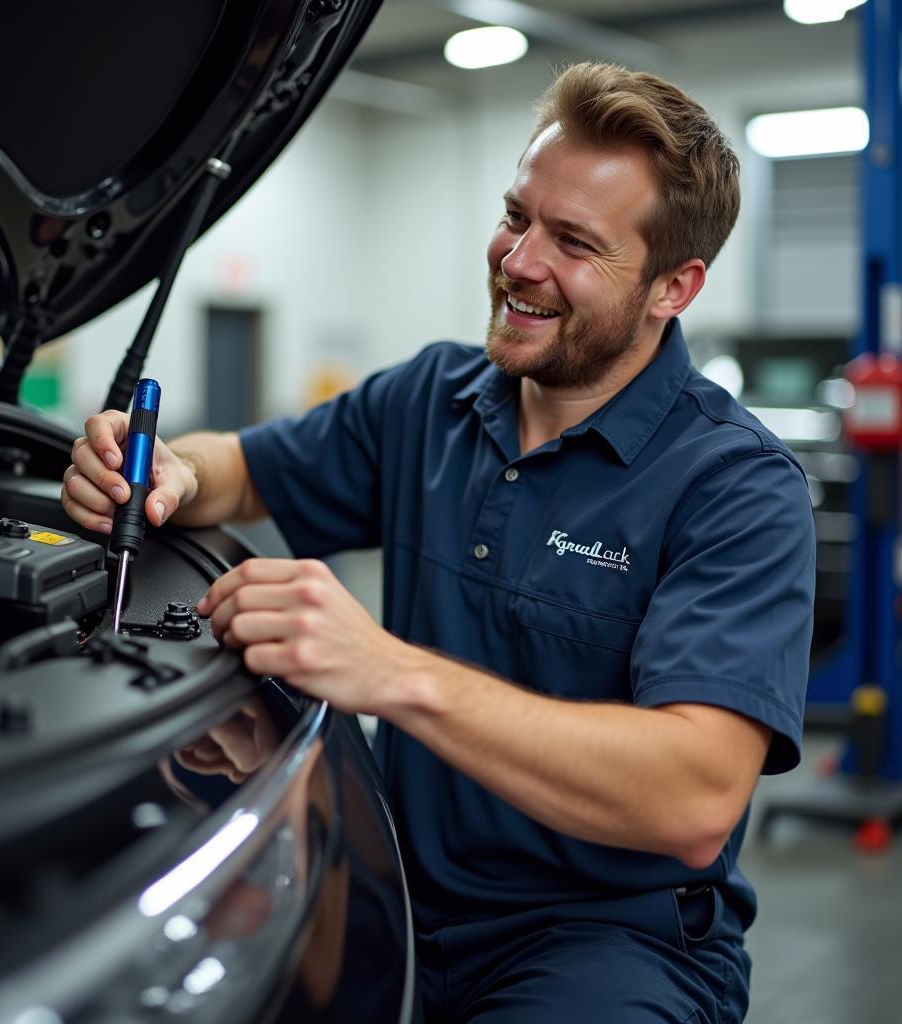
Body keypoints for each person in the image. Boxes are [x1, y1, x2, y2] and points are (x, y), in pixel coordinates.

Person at [62, 62, 815, 1023]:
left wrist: (390, 672)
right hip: (392, 894)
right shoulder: (430, 400)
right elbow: (242, 467)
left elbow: (694, 798)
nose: (518, 260)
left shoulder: (735, 487)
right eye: (517, 215)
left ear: (674, 286)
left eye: (574, 242)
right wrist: (170, 470)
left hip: (607, 945)